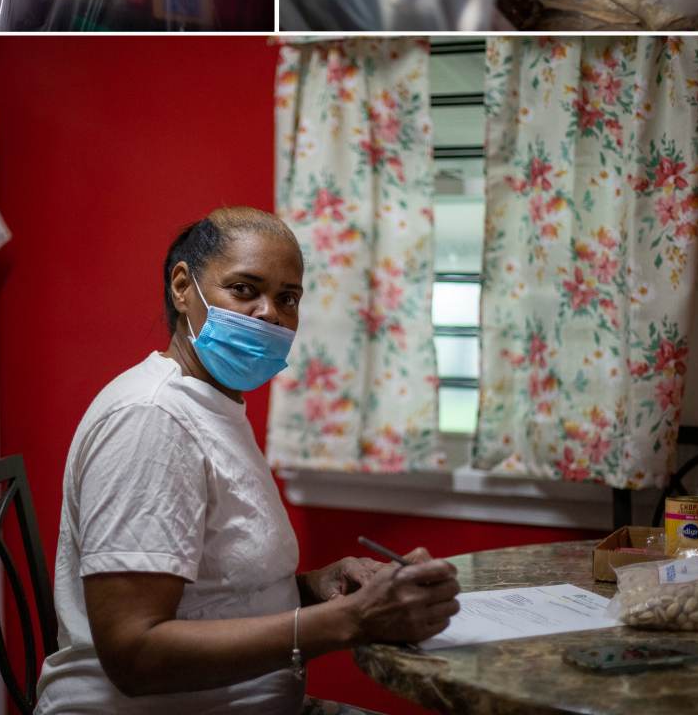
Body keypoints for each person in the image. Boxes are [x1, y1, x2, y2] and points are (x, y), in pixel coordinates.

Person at [35, 206, 460, 715]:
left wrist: (313, 586)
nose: (270, 313)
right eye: (243, 289)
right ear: (182, 287)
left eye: (288, 298)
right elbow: (135, 654)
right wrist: (353, 620)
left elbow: (213, 596)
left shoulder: (212, 404)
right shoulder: (152, 417)